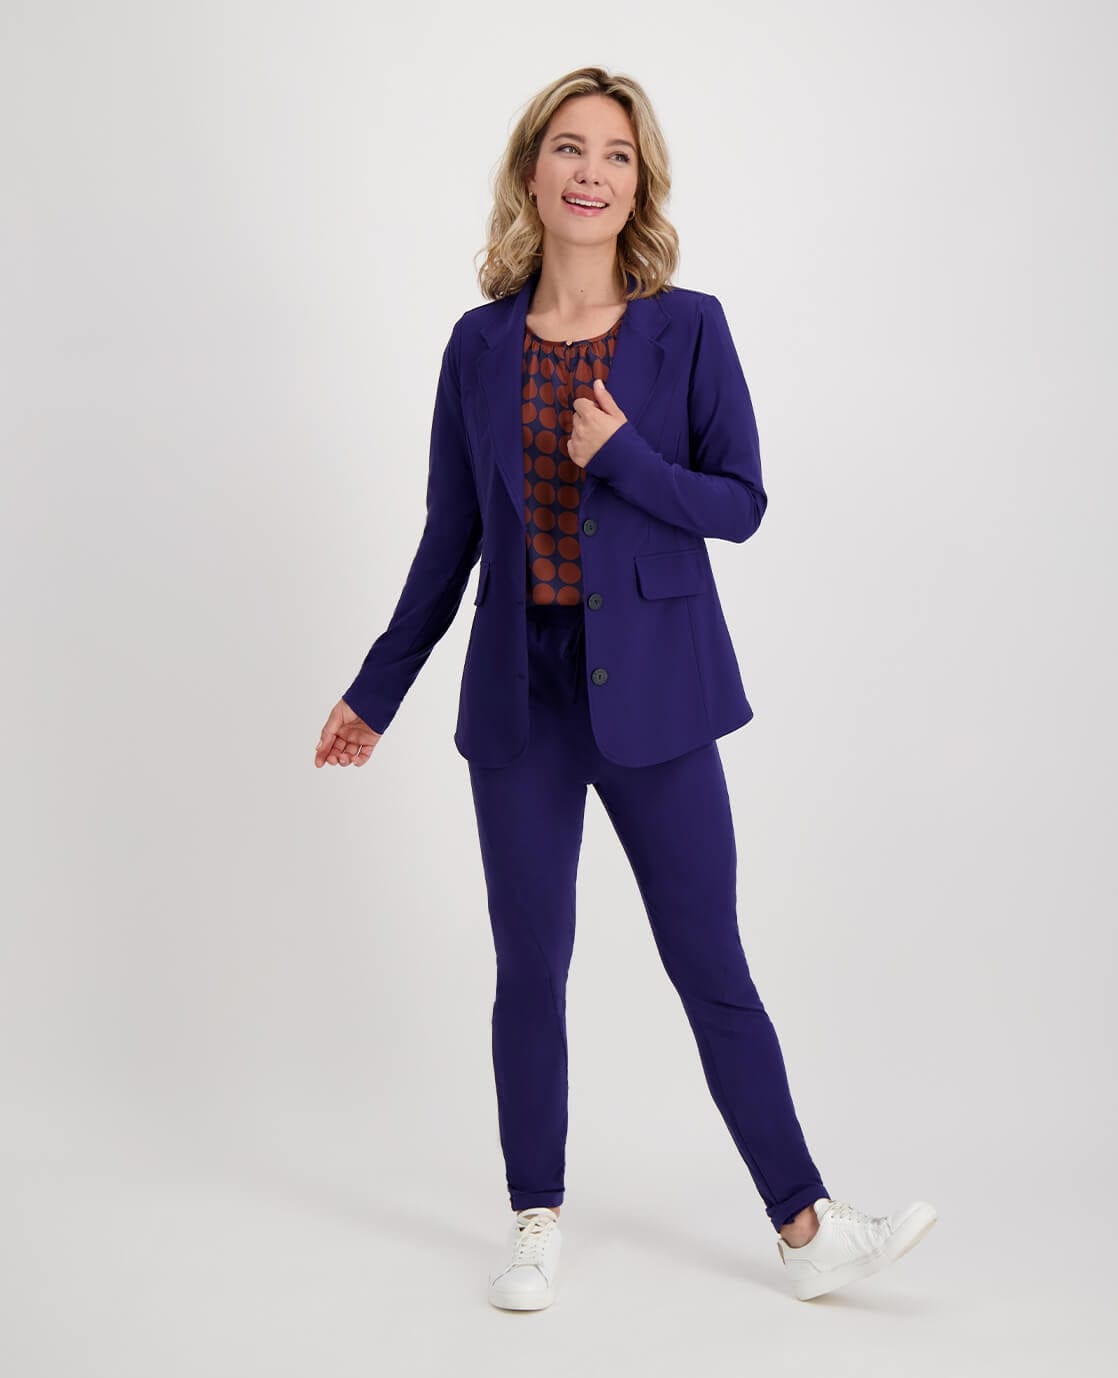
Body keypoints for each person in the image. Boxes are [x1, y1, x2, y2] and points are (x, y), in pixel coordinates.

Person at [314, 66, 936, 1310]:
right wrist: (375, 692)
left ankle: (805, 1227)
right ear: (530, 172)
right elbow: (450, 536)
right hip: (521, 695)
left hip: (657, 694)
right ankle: (532, 1219)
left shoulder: (686, 328)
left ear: (637, 183)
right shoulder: (476, 346)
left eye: (614, 153)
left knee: (709, 961)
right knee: (528, 966)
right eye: (568, 147)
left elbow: (739, 504)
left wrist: (628, 458)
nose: (589, 172)